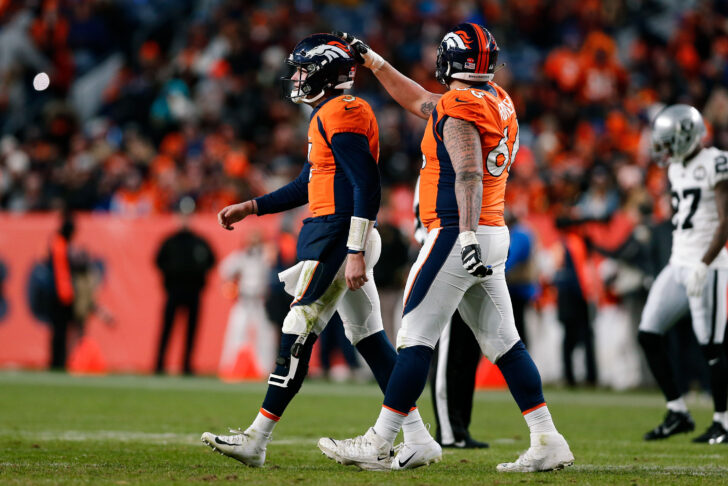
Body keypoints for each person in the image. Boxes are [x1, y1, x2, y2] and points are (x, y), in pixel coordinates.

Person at [319, 25, 573, 472]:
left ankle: (382, 442)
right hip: (492, 232)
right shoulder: (495, 98)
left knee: (414, 338)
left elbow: (469, 172)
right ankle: (547, 437)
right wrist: (376, 62)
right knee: (505, 343)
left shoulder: (459, 108)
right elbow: (420, 100)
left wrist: (467, 234)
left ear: (451, 61)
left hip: (459, 231)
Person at [200, 33, 437, 469]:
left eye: (303, 69)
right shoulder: (328, 113)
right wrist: (253, 207)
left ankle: (257, 437)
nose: (296, 77)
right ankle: (418, 437)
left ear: (325, 74)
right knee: (367, 337)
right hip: (339, 232)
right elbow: (308, 183)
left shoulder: (343, 111)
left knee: (299, 323)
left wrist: (354, 250)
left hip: (341, 235)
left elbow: (367, 184)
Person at [637, 104, 728, 444]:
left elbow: (724, 220)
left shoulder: (717, 161)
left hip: (709, 265)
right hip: (678, 263)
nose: (663, 149)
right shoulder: (675, 167)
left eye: (668, 141)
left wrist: (704, 264)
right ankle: (678, 411)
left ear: (688, 136)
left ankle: (723, 421)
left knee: (712, 347)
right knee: (648, 334)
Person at [414, 176, 489, 449]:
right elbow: (422, 227)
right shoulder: (431, 174)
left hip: (474, 269)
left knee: (469, 352)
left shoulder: (471, 173)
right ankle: (447, 431)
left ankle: (461, 427)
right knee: (446, 353)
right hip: (445, 269)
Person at [154, 211, 215, 375]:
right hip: (173, 290)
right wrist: (171, 275)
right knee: (167, 328)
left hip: (193, 292)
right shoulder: (170, 241)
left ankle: (187, 365)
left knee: (191, 331)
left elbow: (212, 260)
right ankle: (159, 364)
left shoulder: (200, 242)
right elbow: (158, 260)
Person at [218, 232, 277, 377]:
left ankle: (265, 368)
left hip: (260, 301)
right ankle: (231, 366)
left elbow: (274, 273)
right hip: (244, 301)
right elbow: (225, 270)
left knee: (265, 334)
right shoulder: (241, 257)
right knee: (237, 331)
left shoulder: (266, 258)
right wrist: (233, 283)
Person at [48, 213, 76, 370]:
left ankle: (58, 361)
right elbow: (62, 274)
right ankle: (57, 362)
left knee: (59, 332)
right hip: (61, 295)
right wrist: (67, 295)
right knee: (60, 331)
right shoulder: (60, 245)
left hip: (59, 293)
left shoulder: (56, 244)